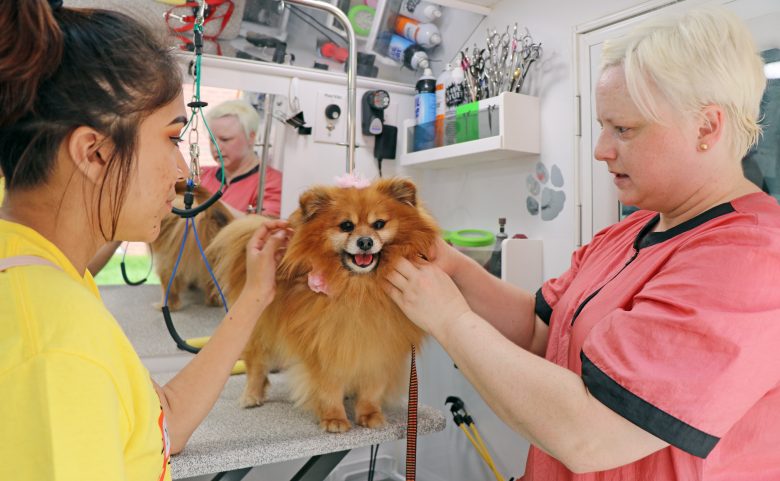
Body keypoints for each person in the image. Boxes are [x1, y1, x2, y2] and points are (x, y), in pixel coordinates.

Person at [385, 8, 780, 480]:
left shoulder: (752, 259)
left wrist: (448, 320)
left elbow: (590, 435)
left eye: (624, 129)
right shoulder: (627, 232)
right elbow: (540, 332)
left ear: (706, 127)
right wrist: (455, 269)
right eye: (602, 126)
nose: (601, 149)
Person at [0, 2, 289, 480]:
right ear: (94, 153)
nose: (182, 173)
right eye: (173, 140)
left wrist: (256, 295)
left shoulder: (48, 278)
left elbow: (164, 421)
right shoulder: (54, 348)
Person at [199, 99, 283, 217]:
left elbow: (264, 226)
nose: (216, 148)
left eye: (225, 139)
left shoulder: (272, 182)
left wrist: (203, 202)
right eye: (212, 140)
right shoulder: (201, 175)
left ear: (251, 137)